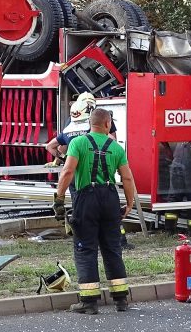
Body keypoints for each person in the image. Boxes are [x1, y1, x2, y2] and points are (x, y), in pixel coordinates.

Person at [53, 108, 136, 314]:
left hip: (86, 199)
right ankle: (121, 299)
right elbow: (127, 178)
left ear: (91, 124)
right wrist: (130, 203)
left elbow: (68, 171)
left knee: (86, 249)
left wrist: (59, 199)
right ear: (107, 124)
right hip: (110, 199)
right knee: (112, 249)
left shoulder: (78, 143)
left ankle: (89, 303)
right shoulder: (116, 148)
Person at [45, 93, 132, 249]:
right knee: (109, 217)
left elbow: (54, 147)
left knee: (82, 211)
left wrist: (63, 159)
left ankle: (85, 241)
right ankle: (118, 241)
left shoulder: (71, 125)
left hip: (78, 178)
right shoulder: (101, 120)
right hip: (104, 179)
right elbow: (113, 143)